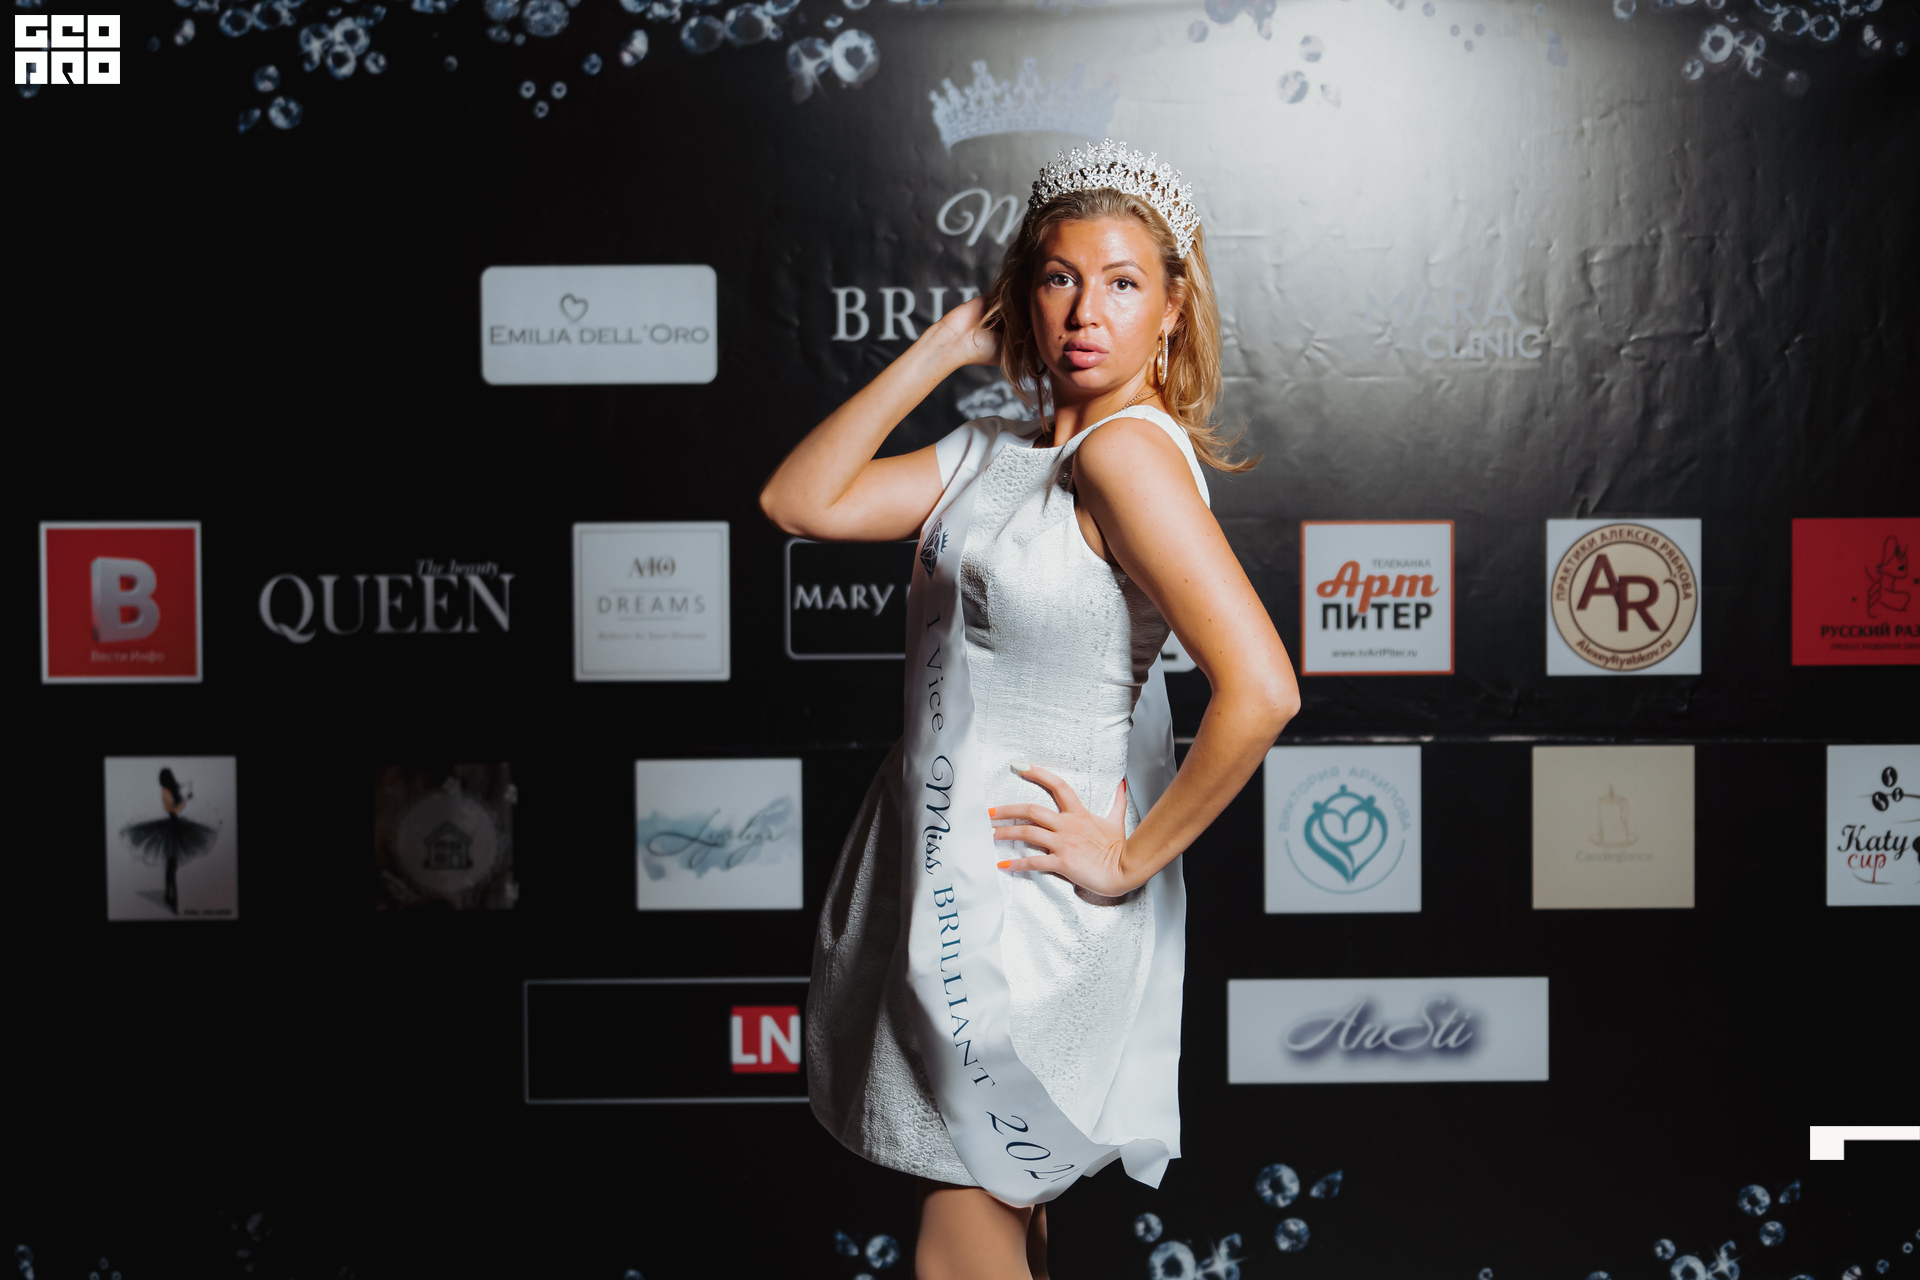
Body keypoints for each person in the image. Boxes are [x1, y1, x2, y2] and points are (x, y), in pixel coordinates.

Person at [760, 140, 1299, 1280]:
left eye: (1122, 282)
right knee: (1003, 1223)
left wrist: (1131, 857)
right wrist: (946, 346)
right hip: (937, 862)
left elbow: (1262, 690)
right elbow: (798, 501)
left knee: (962, 1234)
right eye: (1059, 278)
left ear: (1172, 306)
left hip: (1027, 901)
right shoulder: (991, 454)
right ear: (1023, 293)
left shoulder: (1126, 458)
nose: (1085, 312)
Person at [121, 767, 219, 915]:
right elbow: (173, 811)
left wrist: (185, 795)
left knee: (171, 867)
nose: (160, 782)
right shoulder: (166, 791)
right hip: (171, 829)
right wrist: (185, 799)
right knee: (171, 867)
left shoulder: (170, 789)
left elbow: (177, 806)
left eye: (161, 779)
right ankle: (172, 900)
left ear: (164, 780)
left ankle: (170, 897)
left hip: (175, 827)